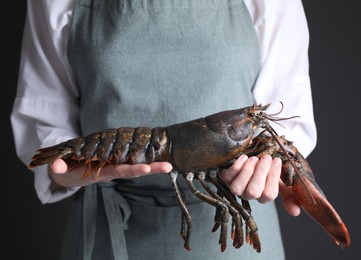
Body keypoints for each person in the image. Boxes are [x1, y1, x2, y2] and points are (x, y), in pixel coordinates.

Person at [11, 0, 317, 259]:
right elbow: (45, 122)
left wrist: (271, 172)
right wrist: (66, 171)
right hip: (105, 229)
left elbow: (289, 118)